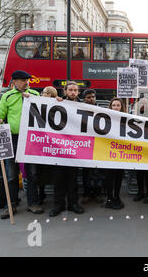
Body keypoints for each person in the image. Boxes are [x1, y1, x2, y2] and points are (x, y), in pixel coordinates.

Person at [0, 70, 43, 219]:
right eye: (22, 80)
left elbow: (43, 111)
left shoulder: (35, 94)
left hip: (30, 138)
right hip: (12, 138)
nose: (26, 82)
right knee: (12, 175)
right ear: (14, 82)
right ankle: (11, 205)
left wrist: (32, 99)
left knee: (32, 173)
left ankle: (33, 203)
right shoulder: (6, 96)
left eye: (27, 80)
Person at [49, 81, 84, 217]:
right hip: (59, 148)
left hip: (74, 149)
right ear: (65, 91)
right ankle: (58, 205)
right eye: (70, 90)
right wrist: (54, 100)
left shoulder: (83, 106)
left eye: (75, 90)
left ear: (78, 92)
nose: (73, 92)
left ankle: (73, 204)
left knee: (72, 178)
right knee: (58, 179)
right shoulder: (58, 103)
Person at [80, 89, 104, 204]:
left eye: (93, 97)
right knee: (86, 172)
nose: (91, 99)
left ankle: (98, 194)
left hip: (98, 145)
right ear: (84, 99)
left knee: (98, 171)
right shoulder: (78, 109)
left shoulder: (102, 111)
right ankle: (87, 194)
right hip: (84, 145)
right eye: (89, 97)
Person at [104, 98, 126, 210]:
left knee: (119, 176)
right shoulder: (105, 118)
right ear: (110, 107)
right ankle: (109, 198)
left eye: (118, 105)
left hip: (121, 153)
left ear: (121, 107)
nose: (116, 107)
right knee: (109, 176)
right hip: (109, 152)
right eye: (114, 105)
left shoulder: (127, 119)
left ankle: (116, 196)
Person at [130, 96, 148, 203]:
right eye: (141, 103)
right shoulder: (133, 115)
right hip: (137, 148)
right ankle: (140, 192)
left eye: (145, 103)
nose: (143, 105)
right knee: (139, 173)